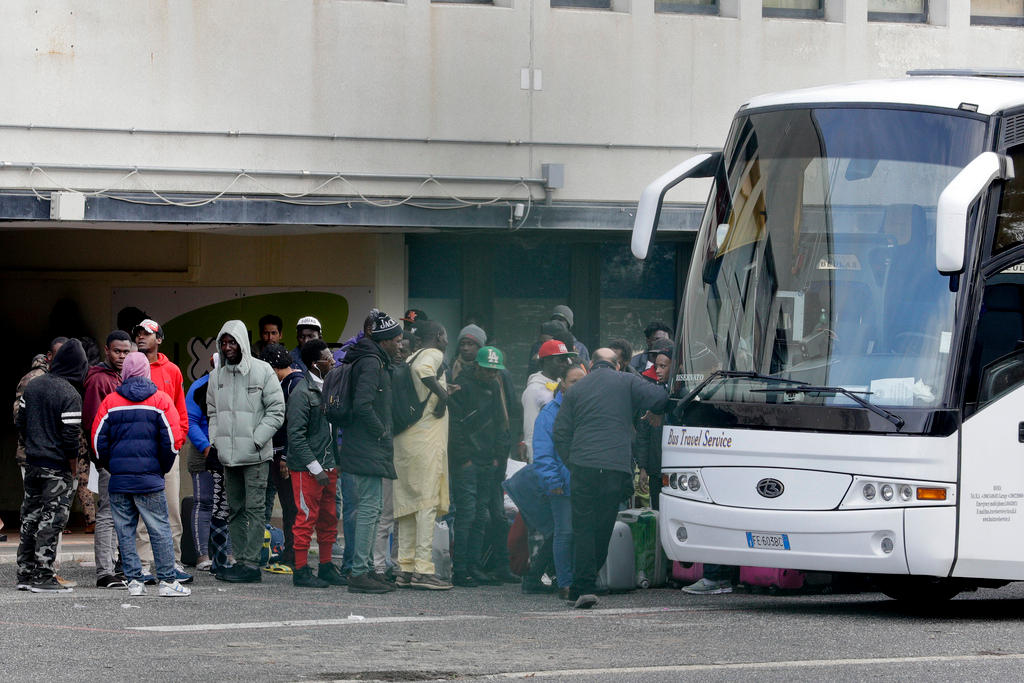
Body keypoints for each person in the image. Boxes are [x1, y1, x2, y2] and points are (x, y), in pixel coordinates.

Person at [553, 347, 668, 609]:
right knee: (603, 526)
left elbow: (560, 433)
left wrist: (573, 462)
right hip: (615, 468)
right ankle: (588, 581)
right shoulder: (627, 381)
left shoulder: (576, 390)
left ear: (590, 365)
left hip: (583, 465)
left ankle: (582, 587)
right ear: (617, 365)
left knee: (582, 526)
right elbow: (659, 399)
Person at [91, 352, 189, 598]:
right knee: (159, 528)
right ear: (146, 372)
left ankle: (134, 580)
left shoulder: (111, 402)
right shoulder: (161, 400)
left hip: (120, 480)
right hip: (150, 479)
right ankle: (167, 580)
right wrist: (161, 469)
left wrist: (112, 466)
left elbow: (97, 441)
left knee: (125, 530)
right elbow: (173, 442)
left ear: (125, 373)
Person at [207, 320, 286, 583]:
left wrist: (257, 439)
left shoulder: (263, 370)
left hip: (255, 456)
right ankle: (240, 560)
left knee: (254, 510)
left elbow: (277, 410)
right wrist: (216, 440)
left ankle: (251, 565)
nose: (228, 347)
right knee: (235, 510)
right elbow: (213, 412)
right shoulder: (216, 375)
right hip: (229, 456)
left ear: (242, 343)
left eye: (232, 342)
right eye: (224, 343)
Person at [505, 364, 587, 599]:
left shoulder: (587, 409)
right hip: (560, 484)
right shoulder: (550, 412)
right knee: (564, 533)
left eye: (583, 381)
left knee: (570, 533)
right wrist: (553, 480)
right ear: (563, 383)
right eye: (574, 381)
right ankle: (566, 584)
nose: (578, 386)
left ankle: (562, 579)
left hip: (583, 483)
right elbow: (543, 453)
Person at [14, 338, 88, 592]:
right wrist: (73, 467)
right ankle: (44, 575)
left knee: (30, 519)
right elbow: (70, 438)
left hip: (33, 463)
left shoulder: (33, 386)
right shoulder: (69, 393)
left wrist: (35, 444)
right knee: (52, 521)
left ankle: (24, 573)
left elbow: (20, 422)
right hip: (56, 467)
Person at [338, 309, 402, 594]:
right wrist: (381, 431)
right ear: (384, 340)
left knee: (373, 509)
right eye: (396, 339)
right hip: (366, 446)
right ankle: (360, 572)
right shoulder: (371, 363)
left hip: (364, 447)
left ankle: (364, 569)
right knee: (368, 510)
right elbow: (363, 405)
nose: (399, 344)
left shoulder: (369, 359)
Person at [392, 320, 452, 590]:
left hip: (405, 439)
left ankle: (405, 568)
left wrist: (441, 396)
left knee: (407, 506)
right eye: (446, 335)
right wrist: (446, 396)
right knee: (426, 504)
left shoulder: (412, 355)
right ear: (439, 336)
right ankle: (424, 570)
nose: (447, 340)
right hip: (425, 440)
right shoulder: (433, 355)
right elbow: (423, 371)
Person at [448, 345, 512, 587]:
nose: (491, 375)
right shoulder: (462, 386)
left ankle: (474, 566)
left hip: (487, 459)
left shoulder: (495, 386)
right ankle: (461, 568)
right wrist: (464, 457)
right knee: (466, 514)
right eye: (487, 371)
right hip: (467, 461)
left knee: (479, 515)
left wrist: (498, 456)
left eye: (495, 372)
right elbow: (455, 425)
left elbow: (500, 422)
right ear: (477, 366)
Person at [133, 318, 190, 584]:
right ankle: (143, 564)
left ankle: (174, 561)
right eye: (139, 334)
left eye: (147, 334)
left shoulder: (173, 371)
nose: (141, 337)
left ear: (159, 339)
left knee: (171, 508)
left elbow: (180, 410)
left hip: (167, 451)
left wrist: (177, 441)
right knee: (143, 511)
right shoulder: (131, 367)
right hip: (142, 453)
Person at [287, 339, 347, 588]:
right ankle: (301, 571)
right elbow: (296, 436)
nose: (332, 360)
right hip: (308, 468)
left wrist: (335, 463)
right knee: (306, 517)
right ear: (315, 364)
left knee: (329, 517)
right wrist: (316, 468)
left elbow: (332, 430)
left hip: (329, 465)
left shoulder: (329, 387)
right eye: (328, 357)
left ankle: (325, 566)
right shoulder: (302, 392)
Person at [83, 330, 132, 588]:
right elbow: (92, 424)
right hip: (110, 459)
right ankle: (105, 571)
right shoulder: (98, 380)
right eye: (117, 351)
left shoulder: (124, 376)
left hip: (127, 459)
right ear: (106, 350)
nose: (122, 356)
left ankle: (120, 567)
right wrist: (101, 459)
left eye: (126, 351)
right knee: (106, 514)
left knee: (124, 513)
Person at [184, 357, 233, 574]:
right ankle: (202, 555)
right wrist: (206, 447)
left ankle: (227, 553)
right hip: (203, 450)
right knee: (204, 502)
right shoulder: (199, 386)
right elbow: (190, 422)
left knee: (228, 503)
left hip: (230, 450)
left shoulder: (235, 385)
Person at [259, 342, 303, 573]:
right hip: (285, 454)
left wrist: (285, 455)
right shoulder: (292, 382)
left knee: (291, 508)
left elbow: (293, 425)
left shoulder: (292, 385)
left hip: (288, 456)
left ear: (273, 367)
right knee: (289, 507)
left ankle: (293, 555)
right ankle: (292, 553)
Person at [13, 337, 68, 477]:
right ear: (50, 356)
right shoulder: (33, 379)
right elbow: (20, 418)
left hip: (57, 456)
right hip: (33, 455)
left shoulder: (68, 376)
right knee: (34, 498)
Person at [521, 340, 576, 463]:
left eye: (566, 359)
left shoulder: (563, 385)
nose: (565, 364)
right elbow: (531, 431)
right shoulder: (534, 390)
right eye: (560, 360)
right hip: (545, 456)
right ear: (545, 361)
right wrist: (535, 462)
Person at [634, 345, 671, 511]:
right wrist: (643, 468)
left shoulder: (685, 394)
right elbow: (643, 434)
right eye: (656, 366)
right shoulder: (652, 394)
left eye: (663, 366)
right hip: (655, 468)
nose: (658, 370)